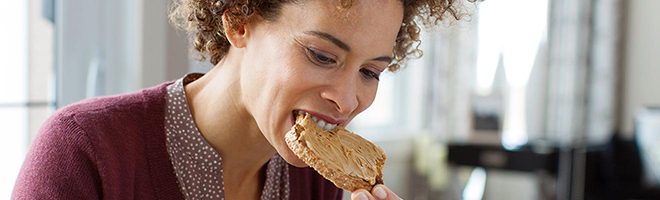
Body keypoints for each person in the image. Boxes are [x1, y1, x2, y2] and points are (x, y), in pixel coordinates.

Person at [12, 0, 463, 199]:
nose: (346, 101)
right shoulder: (84, 151)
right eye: (321, 55)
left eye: (370, 72)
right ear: (239, 21)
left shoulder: (318, 181)